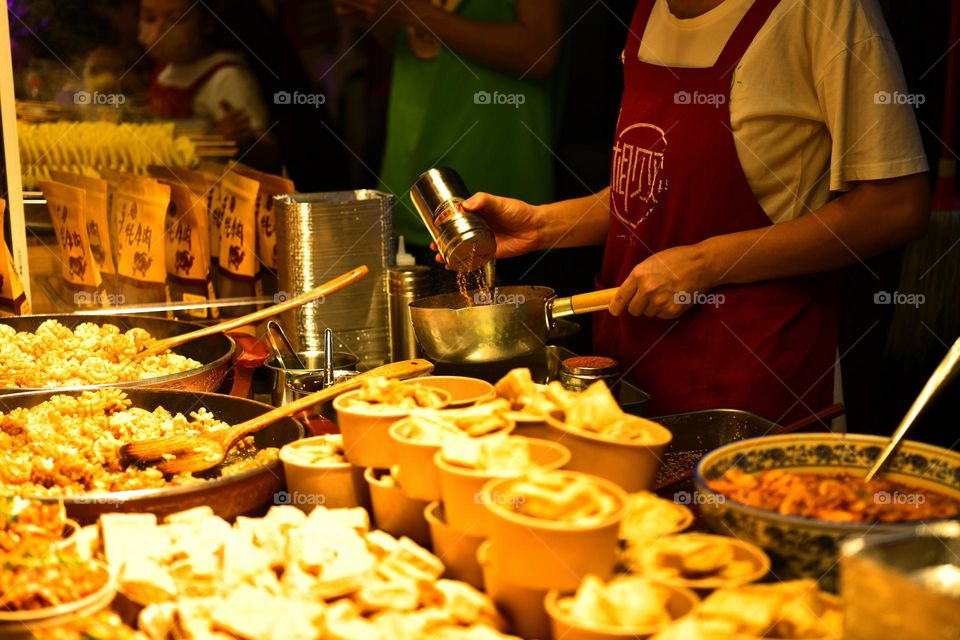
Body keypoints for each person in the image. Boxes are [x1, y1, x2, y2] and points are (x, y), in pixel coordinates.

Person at [446, 0, 930, 424]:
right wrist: (543, 225)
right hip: (630, 371)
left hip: (752, 380)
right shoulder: (650, 10)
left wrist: (705, 263)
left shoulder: (823, 11)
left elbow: (895, 207)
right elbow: (658, 188)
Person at [333, 0, 563, 267]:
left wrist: (414, 11)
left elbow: (539, 51)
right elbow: (413, 45)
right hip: (408, 180)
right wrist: (374, 14)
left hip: (493, 190)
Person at [138, 0, 280, 170]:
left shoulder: (226, 77)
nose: (159, 30)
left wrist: (244, 139)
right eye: (150, 18)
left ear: (207, 24)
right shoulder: (166, 67)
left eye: (176, 19)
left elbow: (269, 156)